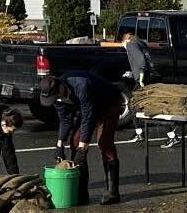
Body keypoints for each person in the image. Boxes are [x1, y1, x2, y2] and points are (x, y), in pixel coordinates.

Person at [41, 71, 125, 204]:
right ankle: (81, 193)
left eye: (57, 96)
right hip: (89, 107)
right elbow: (65, 119)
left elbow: (88, 117)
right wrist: (59, 144)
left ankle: (113, 192)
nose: (57, 99)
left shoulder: (81, 85)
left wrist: (83, 147)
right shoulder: (56, 97)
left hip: (109, 102)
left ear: (61, 87)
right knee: (74, 142)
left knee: (104, 142)